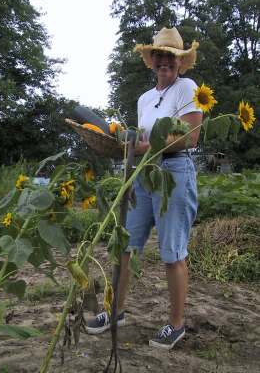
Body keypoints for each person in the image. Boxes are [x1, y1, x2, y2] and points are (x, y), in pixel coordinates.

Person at [85, 27, 203, 350]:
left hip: (174, 173)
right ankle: (115, 310)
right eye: (159, 57)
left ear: (180, 63)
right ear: (152, 61)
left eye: (171, 58)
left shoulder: (187, 88)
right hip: (142, 175)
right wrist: (128, 143)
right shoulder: (145, 99)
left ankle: (176, 324)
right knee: (124, 244)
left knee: (172, 252)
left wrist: (143, 146)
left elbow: (189, 136)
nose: (164, 62)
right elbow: (141, 140)